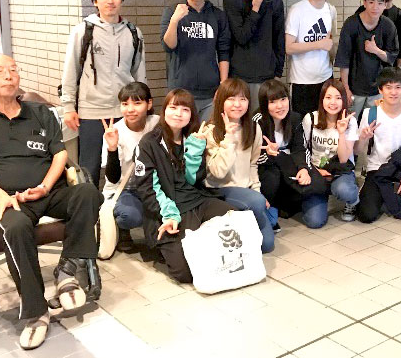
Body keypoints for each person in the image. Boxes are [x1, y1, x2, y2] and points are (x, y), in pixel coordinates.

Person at [0, 55, 103, 350]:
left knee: (88, 193)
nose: (9, 75)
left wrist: (45, 186)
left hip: (48, 191)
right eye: (0, 71)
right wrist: (0, 196)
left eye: (13, 70)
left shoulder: (41, 113)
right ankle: (36, 312)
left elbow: (60, 155)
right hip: (9, 199)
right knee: (15, 227)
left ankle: (67, 271)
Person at [134, 89, 236, 283]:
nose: (178, 114)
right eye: (173, 108)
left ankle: (201, 242)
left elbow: (194, 179)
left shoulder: (194, 137)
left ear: (191, 115)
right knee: (184, 273)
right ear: (164, 111)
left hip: (198, 200)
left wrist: (195, 150)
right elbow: (147, 189)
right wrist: (169, 215)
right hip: (170, 210)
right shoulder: (149, 143)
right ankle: (169, 249)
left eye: (185, 109)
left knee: (235, 220)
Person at [61, 0, 146, 186]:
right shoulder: (83, 31)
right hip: (91, 110)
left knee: (125, 162)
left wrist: (142, 106)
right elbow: (70, 70)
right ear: (95, 0)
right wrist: (68, 106)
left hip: (124, 110)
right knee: (89, 166)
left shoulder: (133, 33)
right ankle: (89, 204)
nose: (110, 1)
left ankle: (120, 203)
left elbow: (139, 73)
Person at [204, 78, 275, 253]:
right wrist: (229, 138)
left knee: (267, 245)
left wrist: (257, 191)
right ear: (221, 101)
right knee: (256, 203)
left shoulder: (253, 128)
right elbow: (218, 172)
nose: (237, 104)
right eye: (231, 99)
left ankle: (254, 213)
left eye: (242, 99)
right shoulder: (210, 130)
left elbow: (253, 165)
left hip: (245, 190)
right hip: (219, 190)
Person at [356, 68, 401, 223]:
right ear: (380, 90)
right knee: (366, 215)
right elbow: (357, 150)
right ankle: (386, 194)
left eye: (398, 87)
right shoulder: (370, 114)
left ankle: (394, 194)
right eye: (388, 87)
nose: (393, 92)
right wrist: (363, 138)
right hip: (377, 168)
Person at [160, 0, 231, 121]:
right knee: (182, 133)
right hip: (180, 89)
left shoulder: (217, 15)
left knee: (208, 134)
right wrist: (175, 21)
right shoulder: (172, 12)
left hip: (210, 91)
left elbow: (224, 51)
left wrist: (223, 84)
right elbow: (168, 45)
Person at [223, 0, 285, 111]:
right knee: (242, 120)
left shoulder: (275, 1)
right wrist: (255, 8)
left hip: (268, 76)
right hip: (240, 76)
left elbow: (279, 39)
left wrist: (278, 73)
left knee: (265, 121)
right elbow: (241, 36)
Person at [253, 79, 319, 232]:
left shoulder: (294, 118)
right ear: (264, 104)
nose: (280, 106)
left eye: (283, 99)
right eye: (273, 102)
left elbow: (299, 149)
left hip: (285, 163)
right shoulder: (257, 121)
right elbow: (252, 158)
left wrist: (303, 168)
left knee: (309, 182)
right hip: (263, 168)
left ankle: (283, 205)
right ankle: (267, 208)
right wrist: (269, 154)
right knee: (272, 175)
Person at [101, 82, 159, 251]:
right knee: (131, 216)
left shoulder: (157, 123)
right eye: (125, 104)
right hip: (124, 188)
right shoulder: (114, 131)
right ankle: (123, 229)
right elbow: (113, 178)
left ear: (149, 104)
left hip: (152, 185)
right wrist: (112, 148)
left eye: (137, 103)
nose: (130, 109)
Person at [302, 79, 361, 226]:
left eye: (338, 98)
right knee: (314, 222)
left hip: (340, 171)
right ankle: (321, 194)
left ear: (344, 100)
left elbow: (343, 159)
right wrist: (315, 171)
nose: (333, 102)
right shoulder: (310, 119)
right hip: (316, 171)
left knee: (344, 190)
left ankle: (352, 201)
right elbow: (303, 150)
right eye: (328, 97)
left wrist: (341, 132)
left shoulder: (350, 121)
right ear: (322, 99)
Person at [337, 0, 399, 117]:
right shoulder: (351, 24)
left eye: (380, 3)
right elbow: (343, 59)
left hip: (377, 89)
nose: (375, 7)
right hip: (354, 88)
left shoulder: (388, 26)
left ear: (385, 5)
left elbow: (392, 57)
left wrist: (376, 50)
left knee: (372, 124)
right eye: (371, 2)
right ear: (364, 3)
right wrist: (346, 88)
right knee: (350, 123)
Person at [285, 0, 338, 117]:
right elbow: (288, 48)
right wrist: (318, 44)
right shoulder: (297, 10)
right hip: (302, 81)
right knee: (303, 124)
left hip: (326, 78)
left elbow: (331, 43)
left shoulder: (331, 10)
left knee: (325, 122)